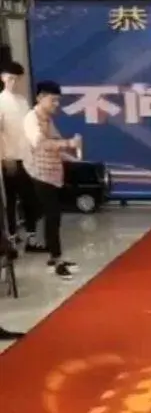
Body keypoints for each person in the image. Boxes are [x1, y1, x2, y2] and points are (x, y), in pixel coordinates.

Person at [22, 80, 82, 280]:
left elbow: (56, 143)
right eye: (53, 100)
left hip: (53, 174)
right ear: (40, 98)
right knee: (52, 215)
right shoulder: (31, 118)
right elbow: (40, 143)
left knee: (54, 217)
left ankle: (55, 257)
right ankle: (55, 260)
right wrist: (68, 143)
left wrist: (70, 155)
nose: (56, 104)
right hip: (39, 173)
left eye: (58, 101)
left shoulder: (47, 119)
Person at [0, 61, 45, 252]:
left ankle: (31, 239)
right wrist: (4, 157)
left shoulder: (23, 101)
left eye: (16, 79)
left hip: (27, 158)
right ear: (3, 78)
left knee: (30, 200)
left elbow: (29, 128)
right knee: (10, 202)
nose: (13, 82)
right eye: (10, 78)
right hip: (10, 159)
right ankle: (10, 242)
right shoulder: (1, 102)